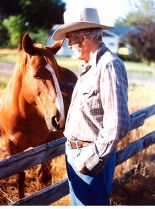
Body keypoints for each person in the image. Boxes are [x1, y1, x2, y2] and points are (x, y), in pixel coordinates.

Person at [52, 7, 130, 206]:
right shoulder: (90, 67)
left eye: (70, 39)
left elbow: (118, 124)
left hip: (90, 157)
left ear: (83, 39)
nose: (69, 45)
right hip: (78, 153)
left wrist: (91, 160)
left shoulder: (108, 66)